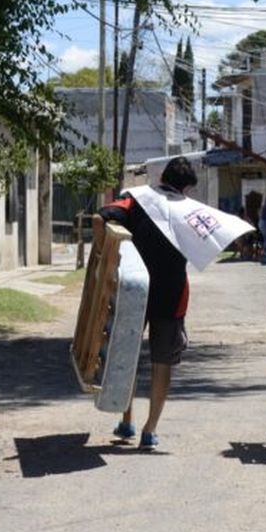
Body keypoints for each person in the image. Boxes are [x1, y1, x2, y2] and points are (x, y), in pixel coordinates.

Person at [100, 157, 198, 451]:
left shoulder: (137, 199)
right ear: (186, 188)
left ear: (163, 177)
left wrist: (103, 265)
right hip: (172, 293)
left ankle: (126, 420)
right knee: (162, 362)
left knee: (127, 354)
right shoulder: (190, 211)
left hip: (134, 288)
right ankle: (149, 429)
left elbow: (102, 217)